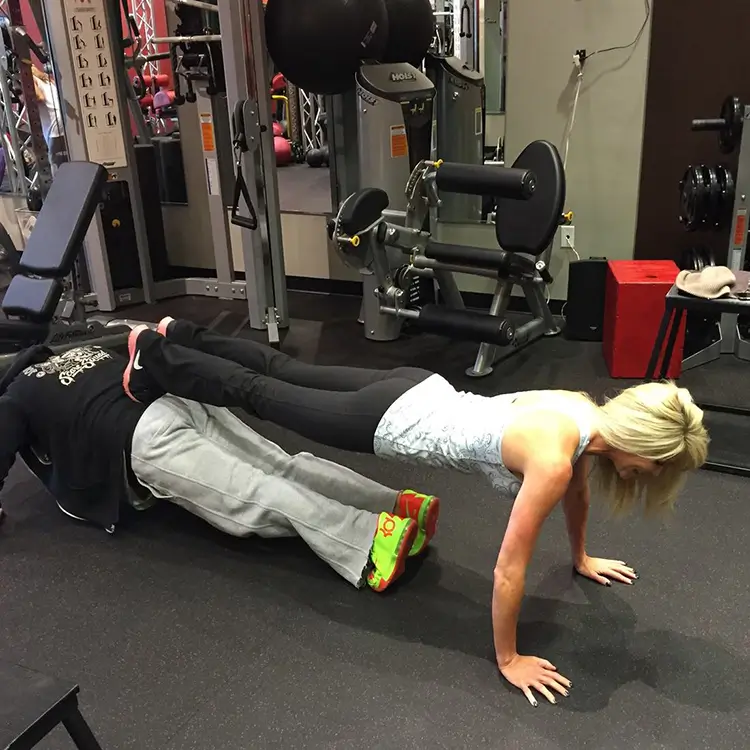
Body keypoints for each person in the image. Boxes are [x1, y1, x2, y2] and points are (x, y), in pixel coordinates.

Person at [123, 317, 710, 707]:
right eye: (662, 467)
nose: (655, 478)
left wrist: (580, 556)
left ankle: (184, 333)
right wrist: (508, 658)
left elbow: (581, 494)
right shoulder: (556, 458)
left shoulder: (583, 413)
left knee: (279, 371)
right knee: (260, 393)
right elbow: (509, 568)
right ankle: (155, 358)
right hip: (390, 423)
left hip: (417, 388)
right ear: (643, 446)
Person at [0, 342, 440, 593]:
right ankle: (396, 504)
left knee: (255, 493)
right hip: (179, 400)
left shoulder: (14, 398)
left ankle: (368, 539)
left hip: (147, 436)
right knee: (282, 465)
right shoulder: (77, 348)